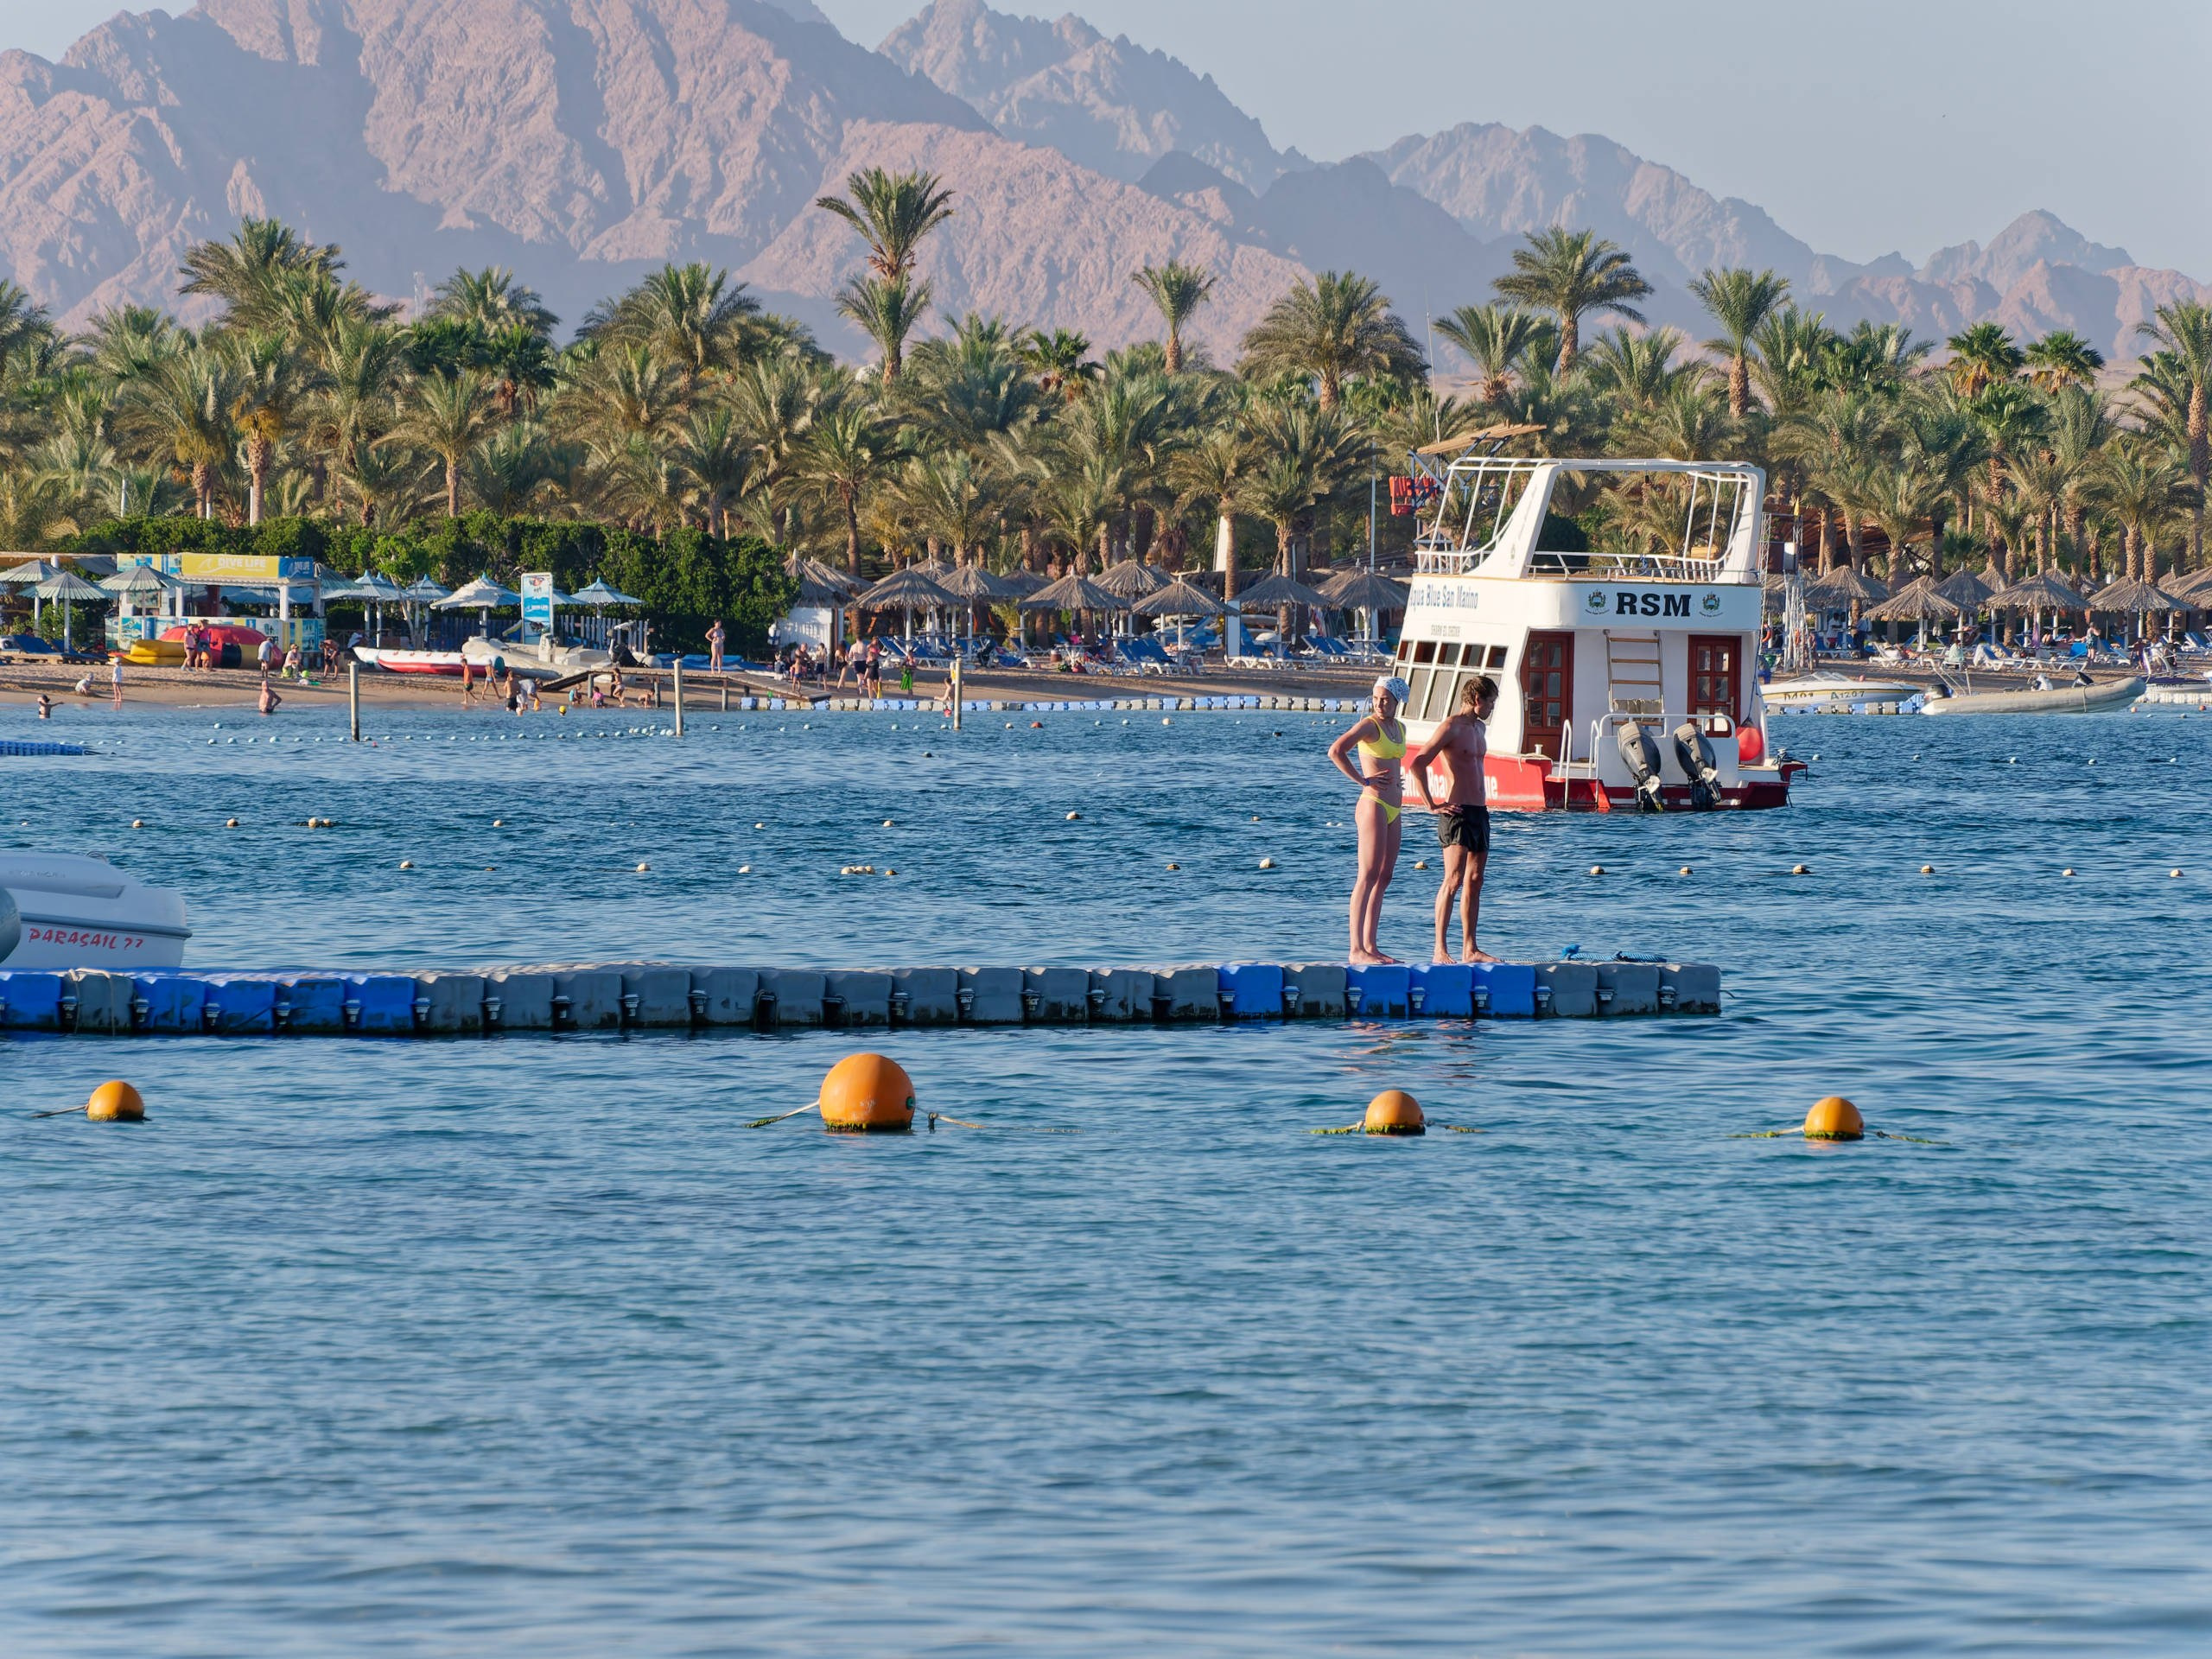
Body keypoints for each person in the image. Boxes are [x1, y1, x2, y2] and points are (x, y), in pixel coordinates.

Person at [1408, 676, 1500, 964]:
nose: (1491, 709)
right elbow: (1417, 763)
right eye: (1490, 703)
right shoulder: (1451, 727)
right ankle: (1440, 949)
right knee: (1454, 879)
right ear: (1477, 700)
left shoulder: (1480, 728)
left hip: (1479, 812)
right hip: (1456, 811)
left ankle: (1470, 949)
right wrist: (1431, 804)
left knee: (1475, 879)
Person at [1328, 676, 1411, 965]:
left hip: (1395, 807)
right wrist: (1362, 780)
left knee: (1385, 876)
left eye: (1385, 699)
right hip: (1373, 804)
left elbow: (1394, 761)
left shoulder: (1399, 727)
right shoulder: (1369, 725)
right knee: (1368, 874)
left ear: (1398, 700)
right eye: (1375, 698)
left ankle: (1371, 946)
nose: (1379, 704)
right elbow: (1336, 751)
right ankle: (1355, 948)